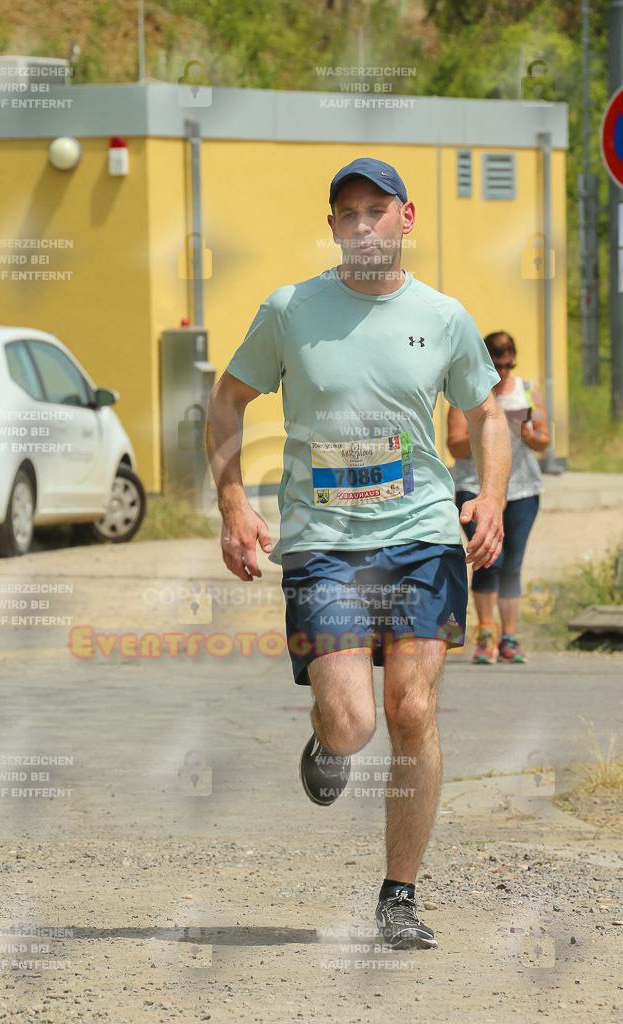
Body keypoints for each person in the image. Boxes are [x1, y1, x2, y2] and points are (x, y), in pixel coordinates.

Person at [206, 157, 511, 951]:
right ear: (333, 225)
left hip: (419, 535)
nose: (362, 224)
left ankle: (399, 895)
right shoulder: (289, 310)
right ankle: (325, 737)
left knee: (412, 710)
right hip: (324, 545)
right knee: (352, 723)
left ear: (406, 219)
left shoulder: (442, 316)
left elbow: (486, 413)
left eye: (376, 210)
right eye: (347, 213)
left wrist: (489, 496)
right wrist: (234, 503)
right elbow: (228, 398)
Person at [447, 331, 549, 664]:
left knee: (513, 563)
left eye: (509, 365)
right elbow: (454, 446)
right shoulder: (465, 391)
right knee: (490, 558)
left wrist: (527, 433)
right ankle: (486, 636)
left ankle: (509, 638)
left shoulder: (528, 391)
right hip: (475, 488)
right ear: (486, 361)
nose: (503, 371)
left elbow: (544, 441)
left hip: (520, 488)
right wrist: (489, 424)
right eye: (497, 364)